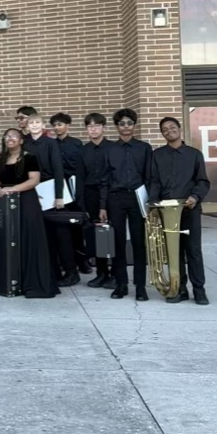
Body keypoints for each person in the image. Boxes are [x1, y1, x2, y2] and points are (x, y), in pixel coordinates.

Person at [148, 117, 211, 305]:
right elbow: (155, 181)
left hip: (189, 209)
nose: (169, 131)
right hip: (167, 210)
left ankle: (199, 290)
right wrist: (153, 204)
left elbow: (202, 181)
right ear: (162, 134)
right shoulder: (157, 155)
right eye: (165, 129)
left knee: (193, 250)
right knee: (174, 252)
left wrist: (195, 197)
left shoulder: (194, 154)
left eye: (172, 128)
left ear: (179, 129)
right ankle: (178, 288)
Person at [0, 129, 57, 298]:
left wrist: (12, 189)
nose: (9, 138)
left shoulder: (29, 157)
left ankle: (31, 283)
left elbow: (34, 180)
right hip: (6, 205)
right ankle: (13, 281)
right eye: (7, 136)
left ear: (21, 140)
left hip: (26, 202)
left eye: (14, 136)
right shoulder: (1, 160)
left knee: (28, 239)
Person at [99, 109, 153, 302]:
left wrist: (149, 202)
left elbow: (149, 177)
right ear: (117, 126)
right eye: (122, 123)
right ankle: (121, 284)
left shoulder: (144, 148)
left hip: (138, 198)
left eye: (129, 123)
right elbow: (104, 179)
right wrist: (102, 206)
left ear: (134, 125)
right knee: (118, 242)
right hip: (116, 198)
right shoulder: (110, 150)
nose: (126, 127)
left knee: (139, 242)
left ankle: (140, 286)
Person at [24, 111, 71, 286]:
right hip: (31, 190)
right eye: (31, 123)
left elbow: (58, 170)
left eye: (37, 122)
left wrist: (59, 196)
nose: (34, 125)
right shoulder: (25, 143)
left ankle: (68, 271)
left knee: (57, 233)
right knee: (40, 233)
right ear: (27, 126)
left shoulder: (51, 144)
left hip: (50, 190)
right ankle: (49, 271)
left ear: (43, 125)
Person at [76, 113, 112, 288]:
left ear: (103, 128)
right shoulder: (83, 151)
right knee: (96, 236)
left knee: (112, 234)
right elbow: (80, 179)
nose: (94, 129)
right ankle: (102, 273)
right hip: (90, 195)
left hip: (111, 195)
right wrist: (81, 203)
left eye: (97, 126)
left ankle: (115, 274)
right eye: (90, 127)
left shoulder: (113, 148)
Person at [51, 112, 88, 278]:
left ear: (68, 125)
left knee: (77, 226)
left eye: (60, 124)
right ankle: (66, 262)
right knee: (61, 226)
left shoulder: (76, 143)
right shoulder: (51, 144)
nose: (57, 128)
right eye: (55, 125)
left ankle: (82, 260)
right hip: (58, 188)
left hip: (74, 186)